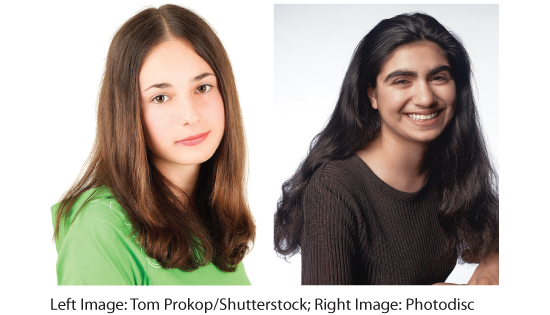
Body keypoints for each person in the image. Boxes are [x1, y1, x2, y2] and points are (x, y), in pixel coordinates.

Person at [274, 13, 498, 285]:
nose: (426, 98)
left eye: (438, 77)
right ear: (372, 94)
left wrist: (492, 266)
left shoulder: (453, 169)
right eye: (402, 80)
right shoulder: (333, 187)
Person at [52, 4, 255, 285]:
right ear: (128, 112)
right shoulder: (101, 228)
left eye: (202, 87)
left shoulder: (213, 220)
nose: (191, 115)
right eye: (160, 97)